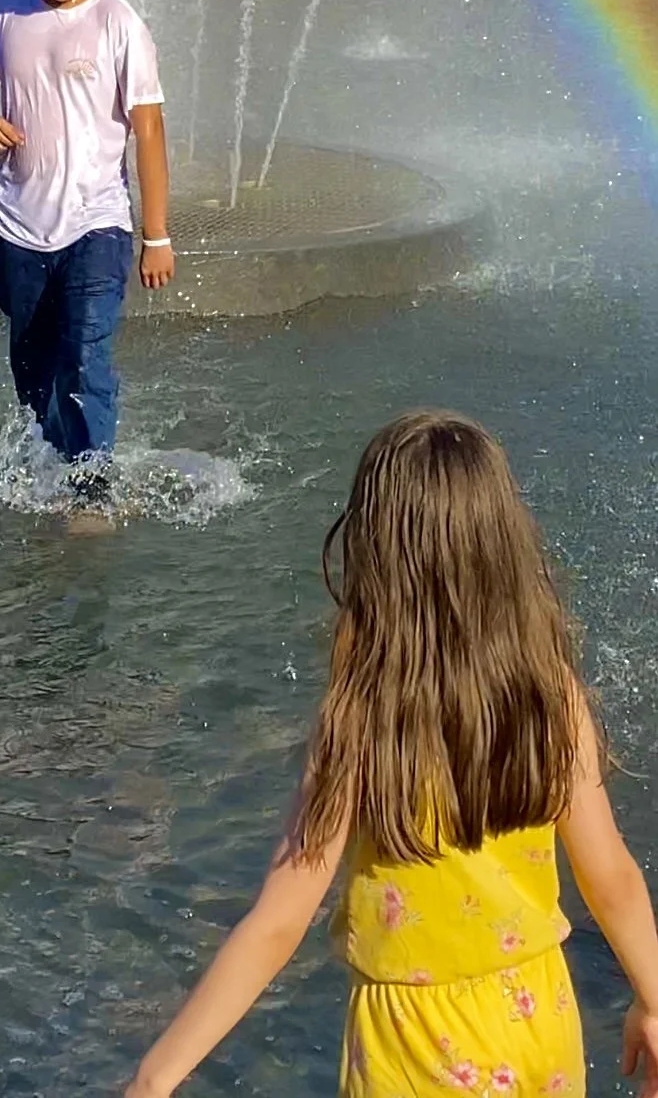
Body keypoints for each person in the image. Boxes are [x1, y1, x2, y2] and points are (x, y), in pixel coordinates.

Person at [126, 410, 658, 1098]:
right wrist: (651, 998)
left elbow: (281, 919)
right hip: (537, 1020)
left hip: (413, 1047)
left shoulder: (363, 716)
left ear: (375, 554)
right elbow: (609, 873)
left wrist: (156, 1074)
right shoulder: (549, 694)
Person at [0, 0, 174, 504]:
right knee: (31, 358)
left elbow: (149, 131)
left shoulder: (118, 22)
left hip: (97, 221)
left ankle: (92, 485)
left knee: (85, 350)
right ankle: (51, 459)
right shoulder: (5, 10)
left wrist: (156, 235)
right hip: (17, 222)